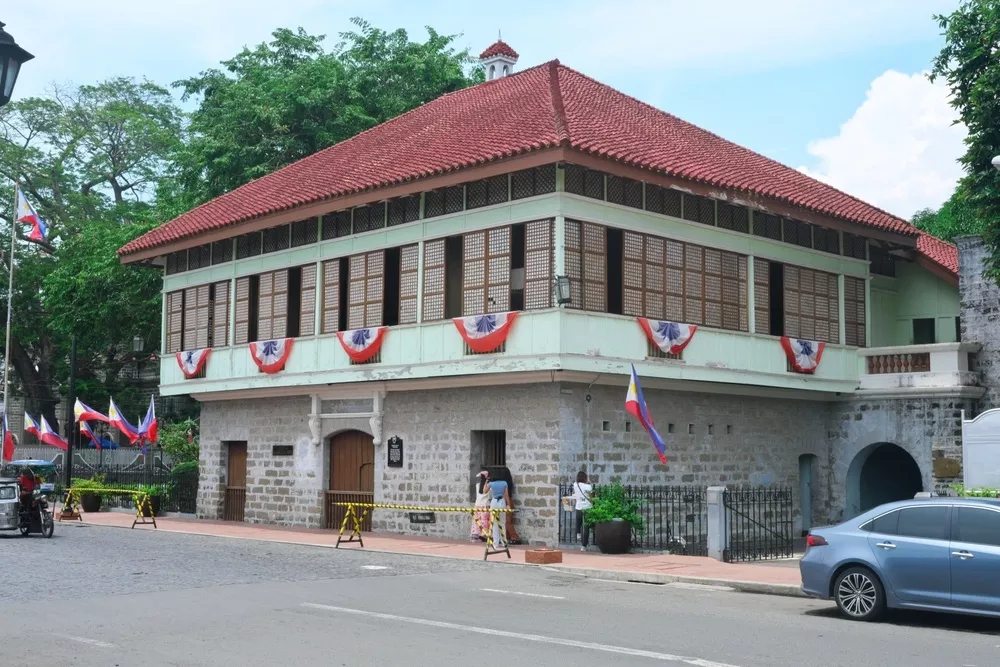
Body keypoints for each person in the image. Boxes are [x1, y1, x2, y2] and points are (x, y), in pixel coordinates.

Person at [485, 467, 514, 548]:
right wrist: (508, 505)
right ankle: (504, 542)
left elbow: (485, 491)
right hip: (501, 501)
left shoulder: (491, 483)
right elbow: (506, 495)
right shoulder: (504, 483)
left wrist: (486, 482)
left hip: (494, 502)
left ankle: (495, 543)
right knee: (502, 522)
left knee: (494, 523)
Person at [497, 466, 521, 545]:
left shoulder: (504, 484)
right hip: (508, 501)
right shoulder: (508, 483)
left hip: (506, 502)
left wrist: (507, 505)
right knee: (506, 521)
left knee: (507, 521)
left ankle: (514, 537)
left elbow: (505, 495)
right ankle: (507, 537)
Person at [572, 471, 594, 551]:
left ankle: (578, 533)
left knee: (579, 522)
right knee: (586, 527)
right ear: (585, 478)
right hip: (587, 508)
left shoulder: (575, 485)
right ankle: (584, 546)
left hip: (579, 507)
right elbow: (592, 498)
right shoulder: (588, 487)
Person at [470, 469, 491, 541]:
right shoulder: (488, 485)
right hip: (485, 505)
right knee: (485, 520)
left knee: (477, 520)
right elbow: (490, 496)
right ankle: (484, 534)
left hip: (477, 504)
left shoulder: (477, 485)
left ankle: (475, 534)